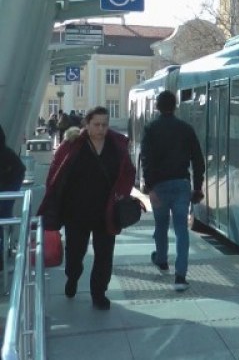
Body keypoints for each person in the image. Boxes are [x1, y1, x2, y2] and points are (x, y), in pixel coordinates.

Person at [37, 107, 135, 310]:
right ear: (87, 124)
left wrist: (121, 195)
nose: (101, 129)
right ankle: (72, 277)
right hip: (76, 212)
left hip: (106, 212)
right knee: (75, 254)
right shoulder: (73, 145)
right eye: (97, 124)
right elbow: (55, 174)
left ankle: (98, 293)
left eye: (104, 125)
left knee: (104, 255)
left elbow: (128, 173)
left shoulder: (117, 146)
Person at [141, 90, 205, 292]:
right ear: (175, 106)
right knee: (181, 229)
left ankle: (161, 259)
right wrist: (197, 187)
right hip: (181, 185)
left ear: (157, 107)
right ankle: (180, 276)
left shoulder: (150, 128)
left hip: (159, 186)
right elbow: (198, 159)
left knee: (161, 224)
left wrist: (149, 186)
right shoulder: (186, 129)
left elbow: (146, 160)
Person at [0, 123, 25, 272]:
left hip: (9, 180)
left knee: (3, 215)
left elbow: (17, 171)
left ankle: (2, 253)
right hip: (9, 177)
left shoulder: (6, 155)